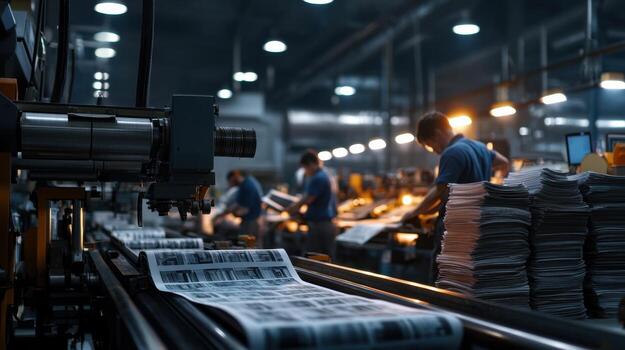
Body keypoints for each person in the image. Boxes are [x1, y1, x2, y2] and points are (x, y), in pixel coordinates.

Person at [401, 111, 510, 282]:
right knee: (468, 279)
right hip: (477, 225)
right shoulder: (479, 147)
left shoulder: (451, 152)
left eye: (430, 145)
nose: (435, 151)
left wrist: (414, 212)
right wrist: (497, 187)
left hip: (453, 229)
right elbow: (504, 162)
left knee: (444, 279)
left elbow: (439, 191)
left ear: (437, 134)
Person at [288, 151, 338, 257]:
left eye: (305, 168)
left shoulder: (318, 178)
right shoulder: (324, 175)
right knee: (323, 258)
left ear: (311, 164)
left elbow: (308, 199)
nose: (305, 172)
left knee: (315, 258)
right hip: (324, 224)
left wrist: (293, 208)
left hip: (320, 226)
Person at [224, 170, 263, 239]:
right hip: (248, 220)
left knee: (248, 244)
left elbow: (244, 209)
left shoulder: (248, 186)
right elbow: (239, 203)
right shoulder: (244, 184)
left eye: (231, 181)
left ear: (235, 176)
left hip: (250, 221)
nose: (232, 184)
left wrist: (232, 213)